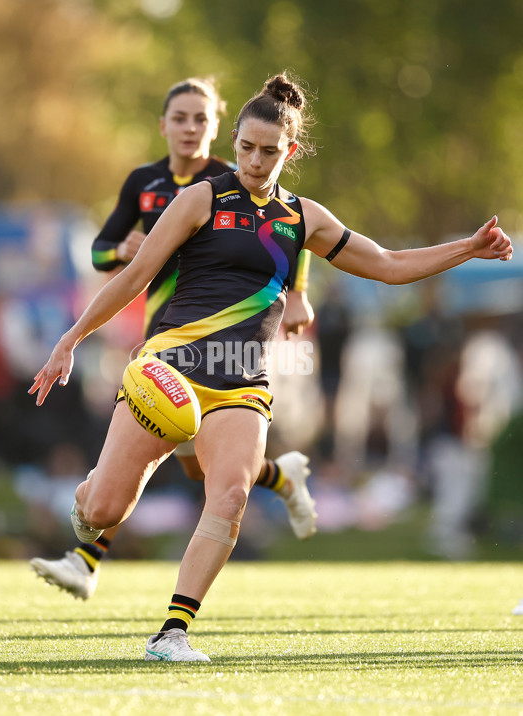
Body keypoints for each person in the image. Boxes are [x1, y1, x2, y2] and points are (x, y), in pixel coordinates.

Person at [29, 72, 513, 662]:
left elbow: (388, 263)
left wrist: (467, 247)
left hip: (241, 383)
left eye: (269, 151)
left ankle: (173, 632)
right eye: (246, 149)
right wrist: (71, 340)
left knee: (230, 495)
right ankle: (86, 502)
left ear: (291, 151)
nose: (256, 162)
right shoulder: (200, 199)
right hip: (168, 372)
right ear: (234, 143)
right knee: (105, 509)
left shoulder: (303, 218)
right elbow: (134, 277)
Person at [30, 77, 317, 600]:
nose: (189, 128)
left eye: (200, 119)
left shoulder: (235, 180)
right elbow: (103, 255)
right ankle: (279, 477)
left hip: (229, 357)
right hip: (166, 345)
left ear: (217, 129)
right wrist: (126, 250)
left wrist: (298, 290)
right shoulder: (150, 184)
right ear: (162, 125)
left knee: (215, 477)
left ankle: (92, 563)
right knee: (179, 461)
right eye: (180, 118)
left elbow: (290, 235)